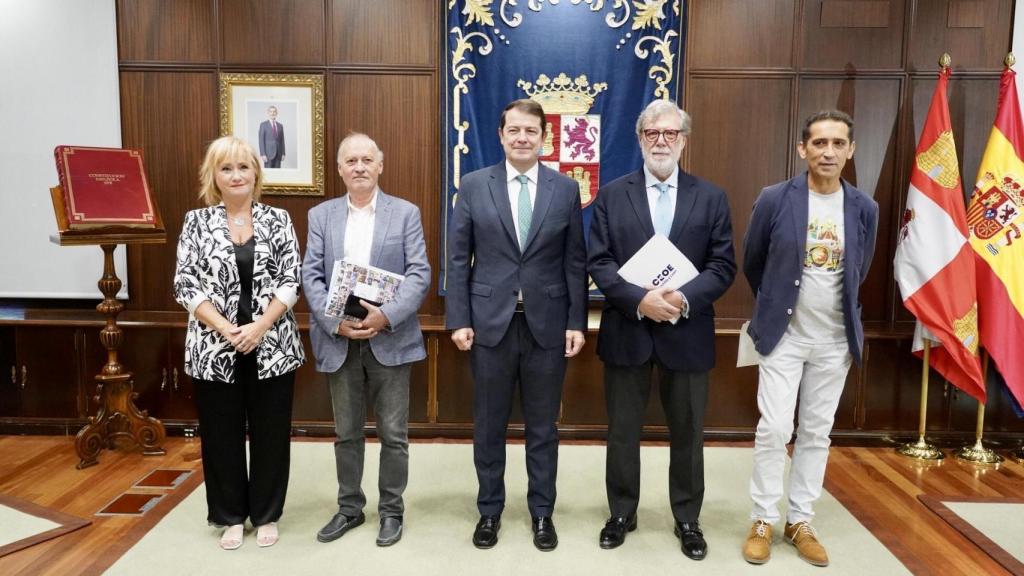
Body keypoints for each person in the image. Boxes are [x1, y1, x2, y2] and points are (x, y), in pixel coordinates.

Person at [587, 99, 736, 560]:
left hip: (687, 331)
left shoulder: (711, 197)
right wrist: (640, 300)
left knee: (688, 433)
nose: (661, 142)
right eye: (652, 133)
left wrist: (681, 299)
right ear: (640, 139)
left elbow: (722, 265)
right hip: (628, 329)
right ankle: (621, 513)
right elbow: (599, 260)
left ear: (683, 141)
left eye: (670, 133)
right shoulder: (612, 194)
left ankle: (687, 518)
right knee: (622, 430)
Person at [446, 98, 587, 551]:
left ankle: (542, 512)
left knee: (543, 428)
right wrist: (459, 319)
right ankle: (489, 511)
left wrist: (576, 321)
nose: (522, 138)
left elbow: (575, 260)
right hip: (489, 325)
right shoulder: (473, 185)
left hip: (548, 325)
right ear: (501, 136)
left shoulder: (565, 189)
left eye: (531, 131)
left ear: (544, 137)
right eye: (514, 130)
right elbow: (458, 257)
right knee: (489, 425)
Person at [741, 110, 878, 567]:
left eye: (838, 143)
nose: (828, 152)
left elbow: (861, 269)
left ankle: (799, 519)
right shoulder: (775, 198)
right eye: (819, 143)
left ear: (850, 150)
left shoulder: (864, 208)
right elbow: (753, 261)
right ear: (803, 149)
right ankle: (763, 518)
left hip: (835, 341)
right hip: (784, 338)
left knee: (817, 432)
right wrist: (776, 304)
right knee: (775, 428)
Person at [172, 135, 305, 550]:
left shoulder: (279, 219)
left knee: (271, 434)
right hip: (214, 348)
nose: (235, 175)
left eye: (243, 167)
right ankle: (229, 516)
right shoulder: (196, 222)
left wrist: (259, 326)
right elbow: (185, 284)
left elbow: (291, 279)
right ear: (213, 175)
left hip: (273, 344)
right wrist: (226, 328)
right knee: (220, 435)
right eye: (226, 168)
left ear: (256, 174)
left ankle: (266, 514)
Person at [303, 133, 430, 547]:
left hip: (389, 337)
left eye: (367, 160)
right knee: (347, 433)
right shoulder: (321, 216)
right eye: (351, 160)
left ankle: (391, 511)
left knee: (394, 434)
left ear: (380, 165)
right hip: (339, 340)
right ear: (340, 169)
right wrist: (333, 322)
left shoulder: (405, 213)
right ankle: (349, 508)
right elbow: (311, 275)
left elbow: (419, 274)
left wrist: (385, 316)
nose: (359, 167)